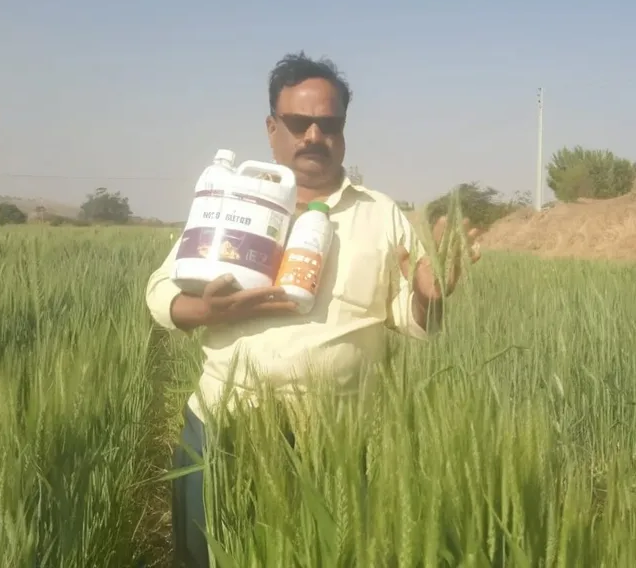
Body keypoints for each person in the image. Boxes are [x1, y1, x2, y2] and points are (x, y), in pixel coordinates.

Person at [144, 51, 481, 568]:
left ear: (343, 131)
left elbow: (414, 322)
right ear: (272, 127)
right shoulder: (232, 201)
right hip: (222, 428)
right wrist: (208, 310)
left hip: (334, 445)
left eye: (329, 124)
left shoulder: (380, 214)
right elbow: (162, 294)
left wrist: (427, 296)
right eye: (299, 123)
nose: (313, 136)